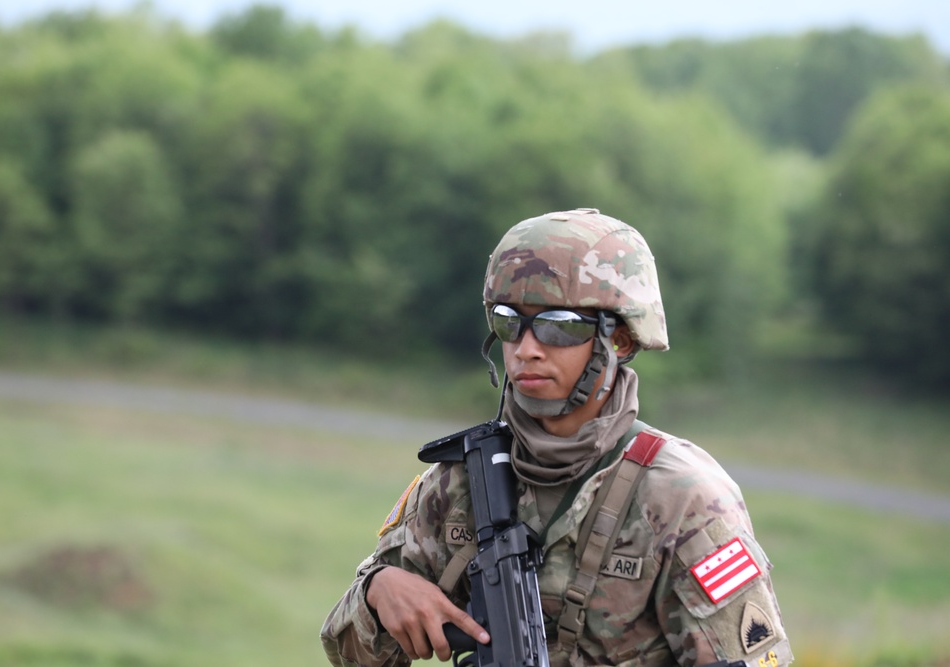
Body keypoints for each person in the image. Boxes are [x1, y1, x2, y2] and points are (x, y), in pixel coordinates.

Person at [321, 208, 793, 667]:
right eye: (510, 321)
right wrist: (378, 589)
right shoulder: (463, 480)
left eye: (559, 326)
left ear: (621, 340)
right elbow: (347, 652)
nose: (526, 349)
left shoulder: (680, 499)